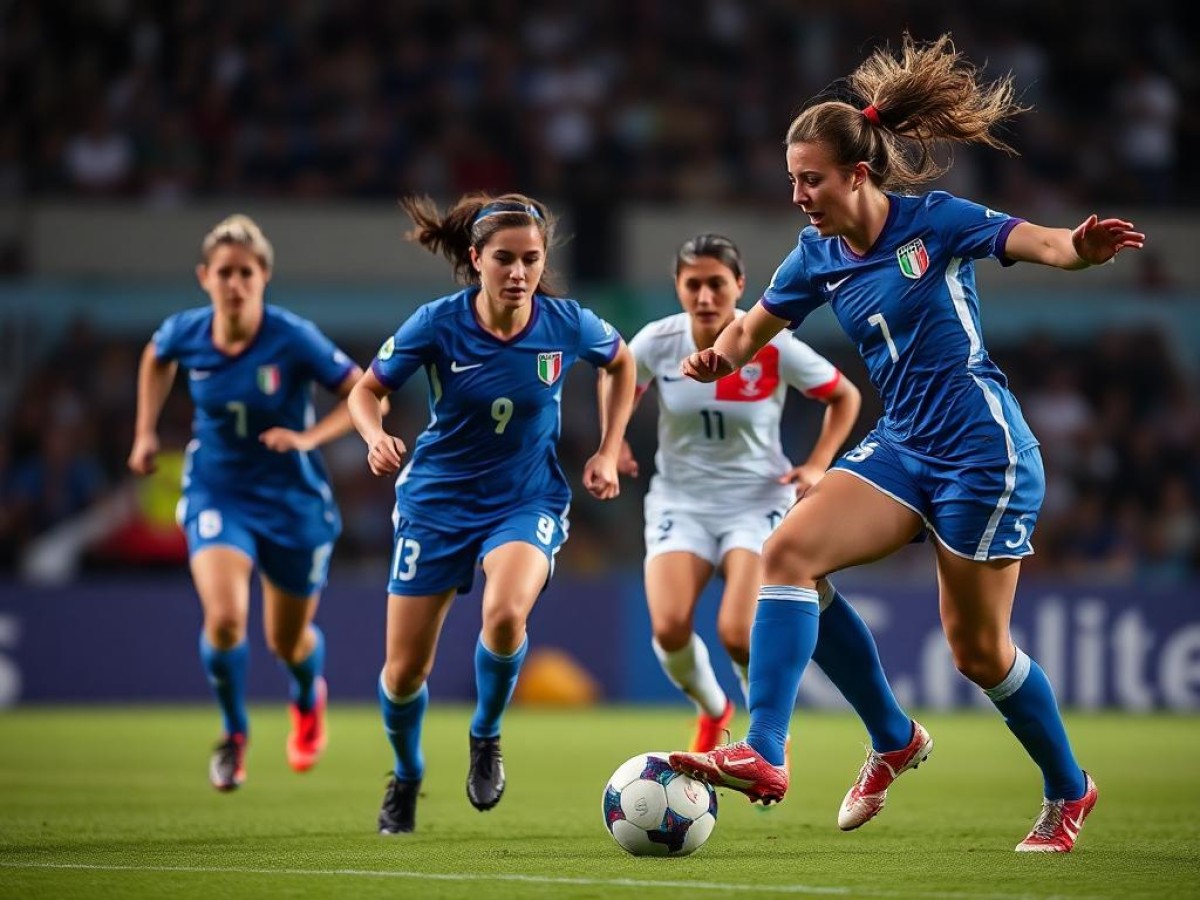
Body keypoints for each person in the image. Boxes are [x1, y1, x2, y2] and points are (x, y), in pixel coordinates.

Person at [668, 33, 1144, 853]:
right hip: (902, 446)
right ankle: (775, 750)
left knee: (979, 654)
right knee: (789, 555)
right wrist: (720, 355)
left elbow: (1042, 242)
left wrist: (1080, 249)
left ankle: (1070, 788)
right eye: (792, 180)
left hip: (983, 455)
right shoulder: (817, 255)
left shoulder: (938, 222)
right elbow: (752, 329)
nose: (799, 196)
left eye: (812, 179)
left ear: (858, 174)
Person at [348, 192, 636, 835]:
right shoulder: (437, 324)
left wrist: (609, 447)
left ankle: (486, 735)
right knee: (404, 672)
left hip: (525, 499)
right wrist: (373, 435)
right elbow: (367, 390)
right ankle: (406, 774)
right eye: (504, 258)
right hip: (436, 505)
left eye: (531, 259)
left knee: (505, 615)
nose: (519, 272)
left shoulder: (566, 323)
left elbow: (621, 362)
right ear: (476, 259)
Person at [624, 235, 931, 829]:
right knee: (669, 626)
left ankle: (765, 737)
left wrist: (815, 465)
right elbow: (620, 381)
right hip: (681, 502)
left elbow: (843, 395)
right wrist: (611, 444)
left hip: (756, 500)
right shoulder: (657, 342)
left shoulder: (770, 342)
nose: (705, 295)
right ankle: (715, 710)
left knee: (737, 629)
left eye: (717, 283)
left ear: (739, 286)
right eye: (693, 284)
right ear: (678, 288)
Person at [128, 214, 368, 791]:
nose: (235, 284)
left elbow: (365, 391)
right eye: (225, 273)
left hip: (292, 500)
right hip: (219, 491)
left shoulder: (293, 337)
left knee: (287, 641)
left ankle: (307, 696)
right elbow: (156, 357)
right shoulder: (186, 332)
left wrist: (309, 438)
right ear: (205, 277)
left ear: (264, 277)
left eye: (246, 273)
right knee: (225, 618)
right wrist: (145, 431)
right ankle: (233, 734)